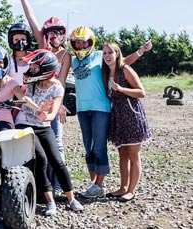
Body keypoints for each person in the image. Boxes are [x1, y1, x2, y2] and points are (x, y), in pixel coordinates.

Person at [69, 26, 152, 198]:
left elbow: (125, 64)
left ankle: (127, 190)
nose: (107, 56)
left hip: (123, 112)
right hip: (109, 114)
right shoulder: (85, 63)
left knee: (129, 153)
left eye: (84, 41)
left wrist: (141, 51)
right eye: (77, 42)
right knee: (115, 152)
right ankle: (114, 187)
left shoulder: (108, 61)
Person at [15, 49, 84, 215]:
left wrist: (46, 114)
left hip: (43, 125)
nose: (31, 70)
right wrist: (37, 108)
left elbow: (53, 111)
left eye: (34, 67)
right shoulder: (30, 83)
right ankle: (50, 202)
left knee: (57, 161)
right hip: (25, 124)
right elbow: (24, 97)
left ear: (46, 68)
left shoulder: (57, 88)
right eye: (31, 67)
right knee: (42, 159)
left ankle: (72, 199)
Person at [20, 0, 72, 196]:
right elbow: (31, 19)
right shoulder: (43, 47)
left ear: (63, 33)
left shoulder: (65, 55)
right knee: (36, 146)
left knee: (57, 143)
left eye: (58, 31)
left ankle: (59, 186)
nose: (54, 35)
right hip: (34, 99)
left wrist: (58, 105)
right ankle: (42, 187)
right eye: (50, 31)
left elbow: (61, 81)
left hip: (52, 100)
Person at [102, 43, 151, 202]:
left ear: (117, 54)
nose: (107, 55)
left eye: (110, 52)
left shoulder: (125, 70)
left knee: (133, 154)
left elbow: (141, 92)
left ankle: (131, 190)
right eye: (105, 53)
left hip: (132, 115)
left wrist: (122, 89)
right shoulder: (106, 72)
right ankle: (123, 188)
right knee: (122, 154)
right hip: (118, 116)